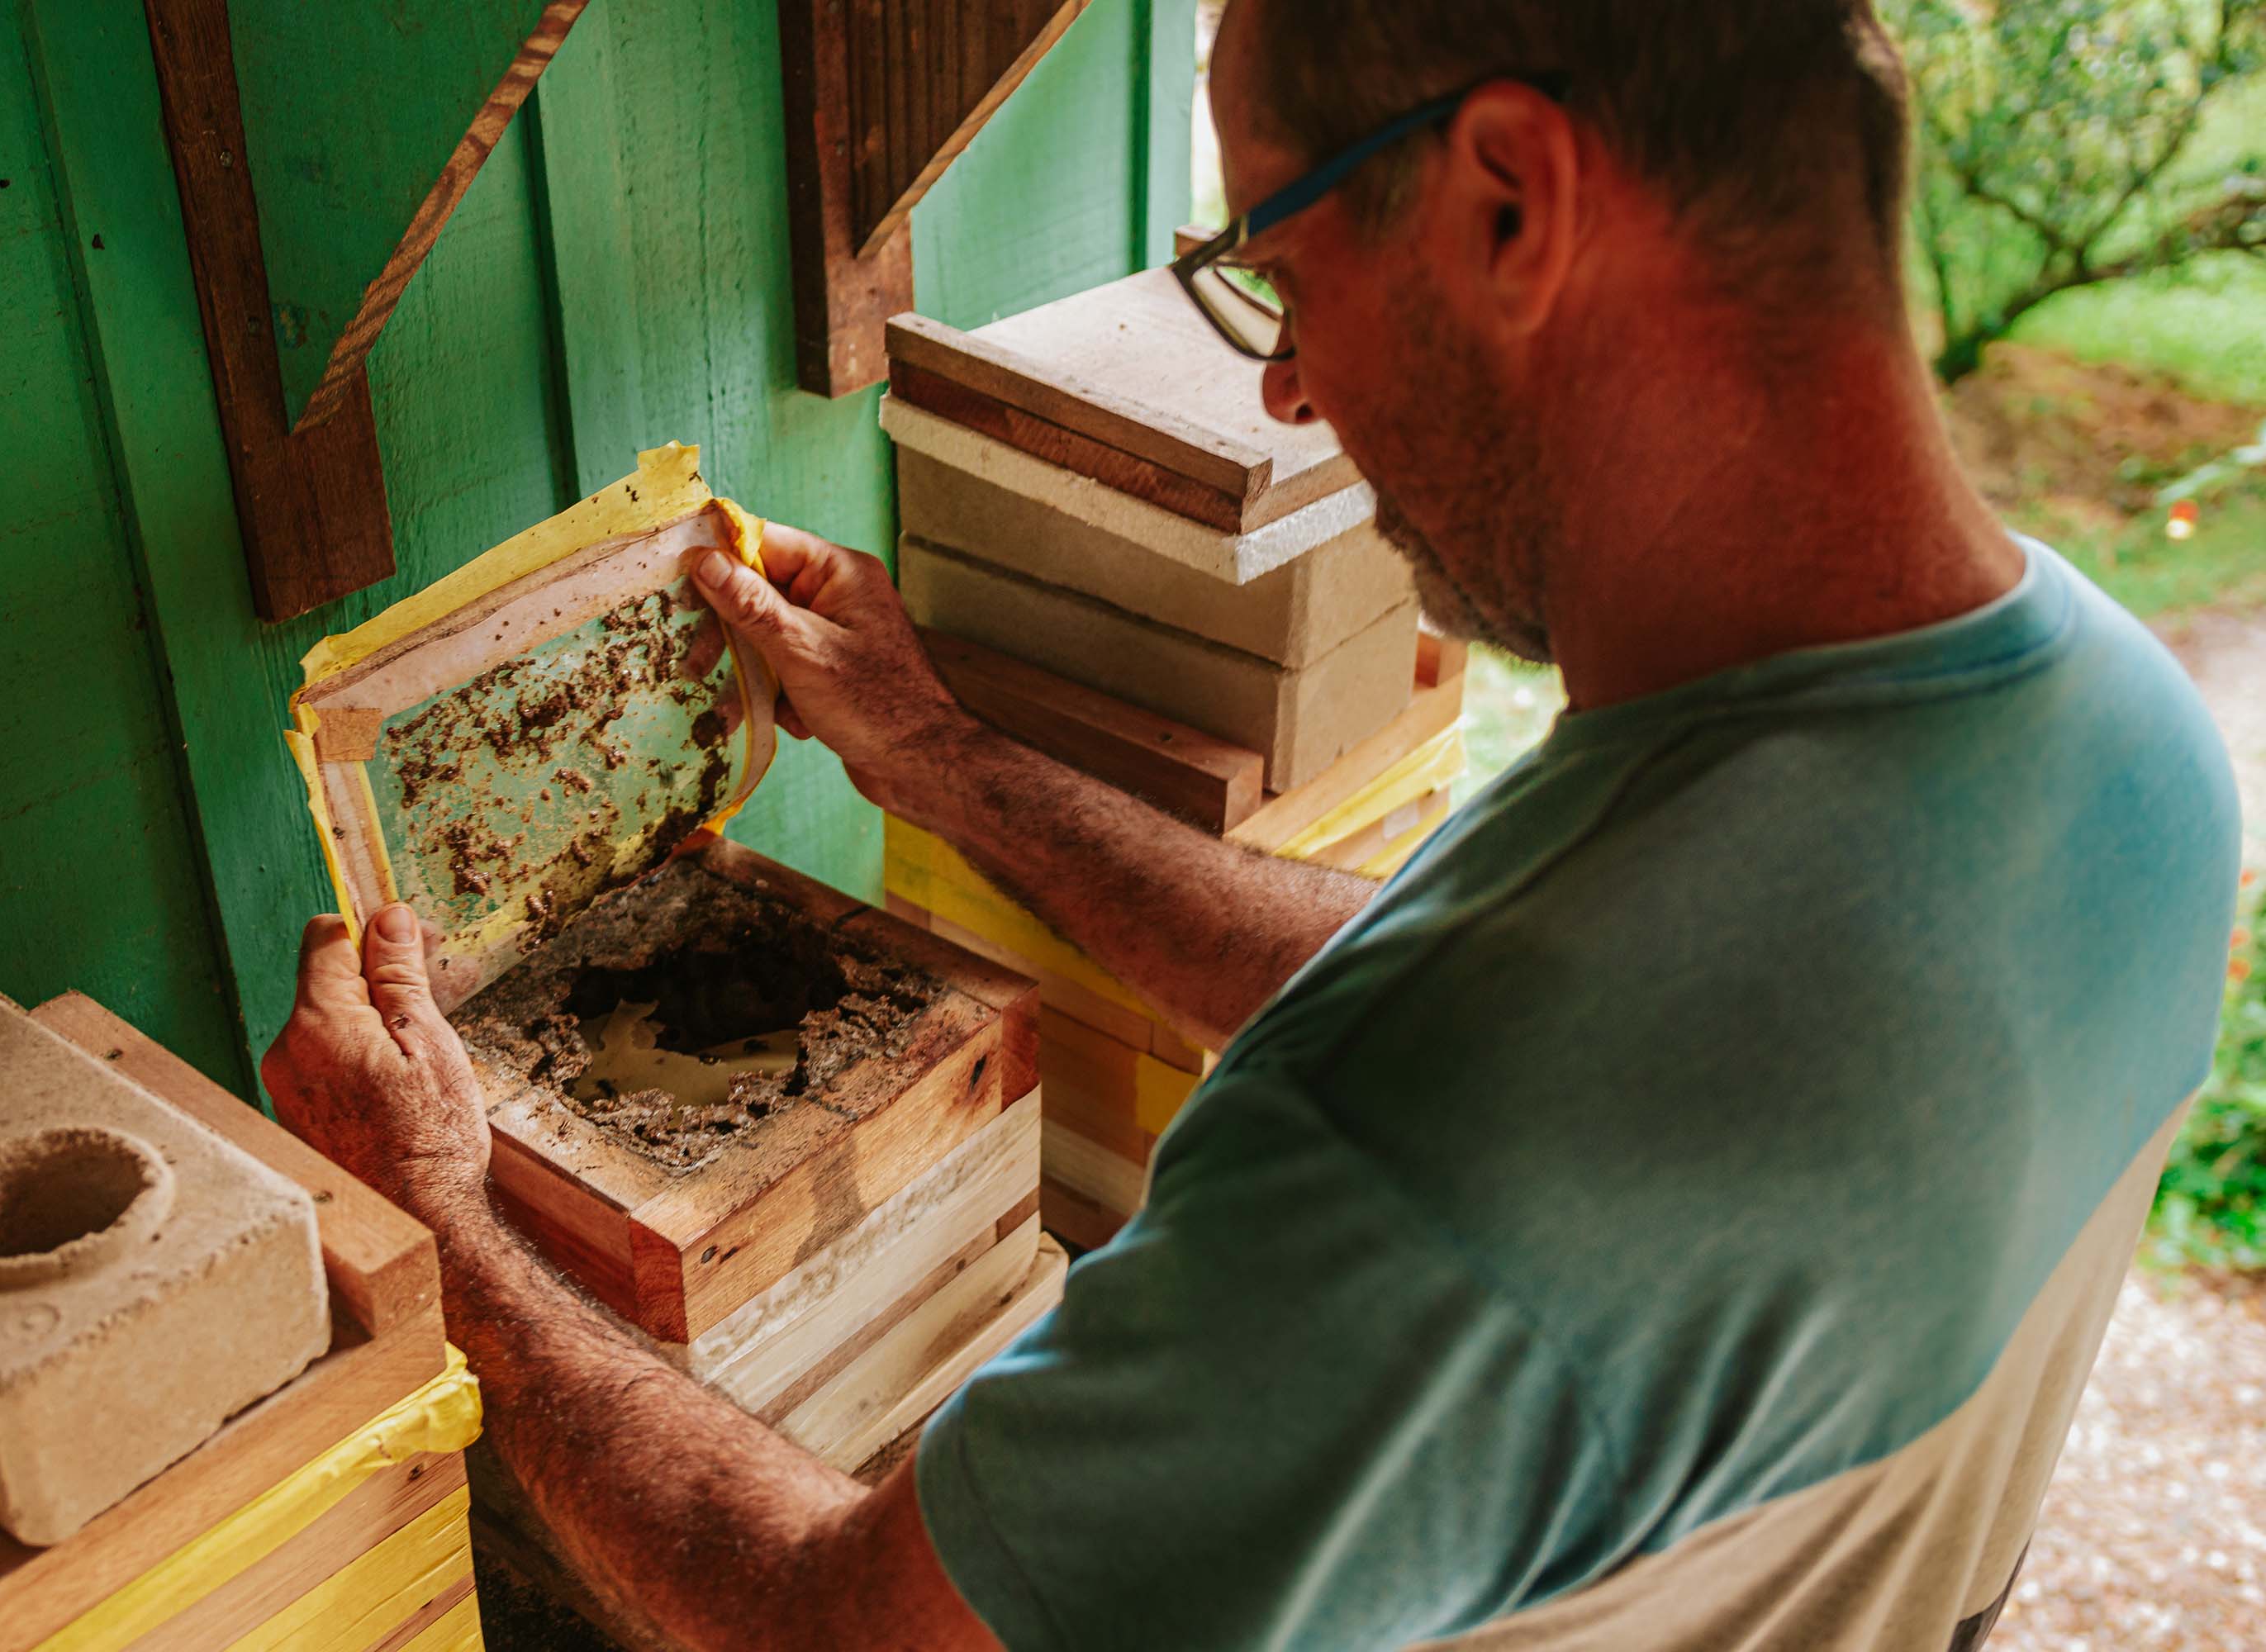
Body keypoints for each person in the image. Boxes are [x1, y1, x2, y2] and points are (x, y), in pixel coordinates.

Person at [263, 2, 2245, 1646]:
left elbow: (847, 1633)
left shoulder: (1470, 1146)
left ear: (1509, 203)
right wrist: (948, 763)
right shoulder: (2124, 743)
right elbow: (1437, 984)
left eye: (1278, 270)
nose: (1289, 391)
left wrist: (443, 1224)